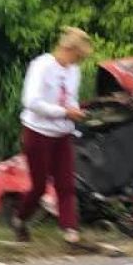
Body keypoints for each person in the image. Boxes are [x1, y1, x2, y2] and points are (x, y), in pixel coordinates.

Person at [14, 27, 93, 245]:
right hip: (38, 132)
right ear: (67, 49)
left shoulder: (74, 71)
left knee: (66, 184)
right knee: (39, 186)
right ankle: (20, 219)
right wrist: (64, 112)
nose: (77, 61)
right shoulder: (41, 66)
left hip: (63, 133)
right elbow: (31, 101)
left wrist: (74, 111)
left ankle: (70, 230)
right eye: (76, 56)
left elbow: (71, 98)